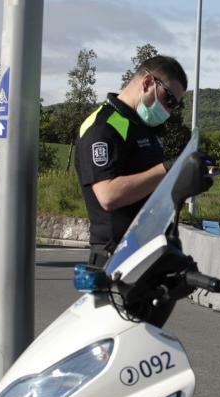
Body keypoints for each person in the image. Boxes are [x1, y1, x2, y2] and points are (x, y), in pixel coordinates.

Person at [75, 55, 188, 267]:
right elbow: (108, 196)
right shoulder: (102, 127)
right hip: (114, 258)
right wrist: (167, 168)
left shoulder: (142, 127)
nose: (170, 110)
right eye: (169, 99)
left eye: (175, 106)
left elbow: (148, 188)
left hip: (144, 253)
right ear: (147, 83)